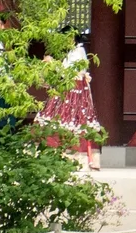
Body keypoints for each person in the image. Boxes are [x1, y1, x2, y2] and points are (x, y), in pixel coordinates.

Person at [35, 32, 102, 170]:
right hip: (68, 88)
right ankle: (57, 155)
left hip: (73, 90)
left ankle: (74, 158)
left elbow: (69, 72)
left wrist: (52, 63)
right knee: (60, 119)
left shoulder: (78, 51)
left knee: (70, 119)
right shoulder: (73, 51)